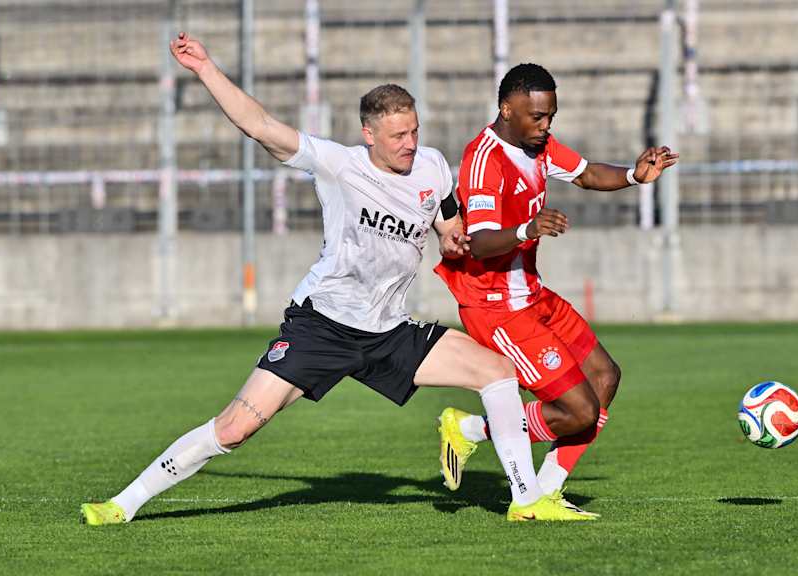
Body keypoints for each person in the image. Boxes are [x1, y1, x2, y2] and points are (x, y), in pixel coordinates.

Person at [80, 35, 592, 525]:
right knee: (234, 428)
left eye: (414, 132)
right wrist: (205, 68)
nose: (410, 144)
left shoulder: (433, 167)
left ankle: (526, 499)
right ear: (369, 134)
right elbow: (259, 124)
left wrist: (453, 238)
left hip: (389, 330)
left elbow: (449, 226)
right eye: (398, 137)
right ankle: (122, 504)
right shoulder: (337, 165)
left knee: (497, 371)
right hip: (323, 326)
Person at [434, 63, 678, 516]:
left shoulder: (539, 145)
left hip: (532, 293)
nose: (546, 126)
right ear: (507, 109)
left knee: (605, 378)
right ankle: (471, 432)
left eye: (551, 116)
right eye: (537, 117)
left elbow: (585, 174)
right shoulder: (484, 160)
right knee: (579, 410)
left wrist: (634, 175)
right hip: (496, 305)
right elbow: (480, 243)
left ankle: (545, 490)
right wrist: (527, 229)